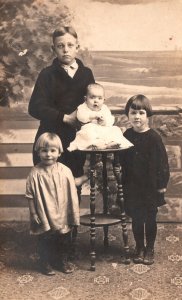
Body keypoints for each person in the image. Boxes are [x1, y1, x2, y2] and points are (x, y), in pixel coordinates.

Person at [28, 26, 95, 183]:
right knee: (49, 184)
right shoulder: (47, 74)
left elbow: (93, 101)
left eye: (70, 45)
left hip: (75, 139)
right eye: (60, 46)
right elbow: (35, 107)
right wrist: (64, 117)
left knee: (73, 185)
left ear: (77, 47)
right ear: (53, 49)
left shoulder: (86, 74)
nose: (66, 50)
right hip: (51, 139)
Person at [120, 94, 170, 265]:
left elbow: (163, 163)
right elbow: (122, 159)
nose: (137, 117)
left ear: (148, 115)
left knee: (149, 218)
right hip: (132, 186)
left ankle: (150, 248)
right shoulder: (126, 135)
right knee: (136, 218)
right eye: (133, 113)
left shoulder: (154, 138)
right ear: (128, 115)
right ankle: (139, 247)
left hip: (150, 187)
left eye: (141, 113)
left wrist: (161, 185)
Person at [25, 133, 84, 276]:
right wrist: (33, 213)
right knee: (46, 238)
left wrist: (88, 175)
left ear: (59, 152)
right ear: (38, 152)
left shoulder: (64, 170)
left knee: (63, 238)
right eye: (44, 150)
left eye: (52, 150)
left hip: (62, 212)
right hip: (44, 212)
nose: (48, 154)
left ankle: (61, 260)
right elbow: (30, 195)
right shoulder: (35, 173)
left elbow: (75, 183)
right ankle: (44, 262)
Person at [68, 83, 133, 151]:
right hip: (90, 128)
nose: (96, 101)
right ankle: (97, 144)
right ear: (85, 99)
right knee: (87, 133)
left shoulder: (104, 108)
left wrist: (104, 121)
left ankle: (110, 144)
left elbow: (110, 119)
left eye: (99, 98)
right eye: (92, 97)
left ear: (103, 100)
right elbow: (81, 117)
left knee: (115, 129)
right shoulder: (83, 107)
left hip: (103, 130)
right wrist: (92, 117)